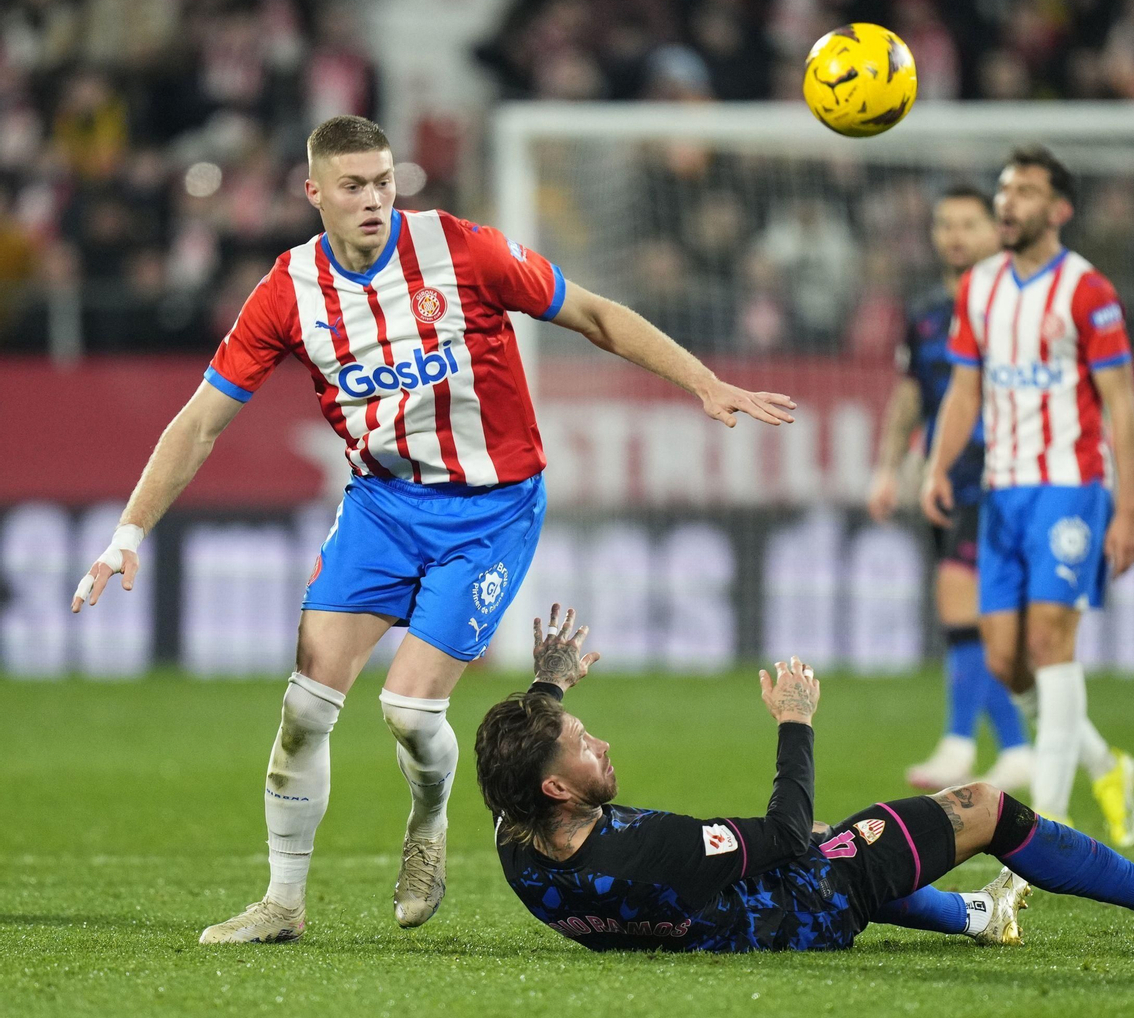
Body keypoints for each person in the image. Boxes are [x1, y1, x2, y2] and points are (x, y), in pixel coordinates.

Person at [68, 115, 796, 944]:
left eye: (383, 181)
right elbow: (201, 420)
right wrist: (128, 533)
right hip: (380, 507)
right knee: (304, 706)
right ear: (314, 193)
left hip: (489, 510)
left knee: (410, 712)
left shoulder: (463, 251)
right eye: (353, 185)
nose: (373, 198)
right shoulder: (289, 291)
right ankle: (282, 902)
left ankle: (428, 822)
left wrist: (703, 381)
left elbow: (593, 314)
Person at [478, 604, 1134, 953]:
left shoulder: (517, 837)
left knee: (844, 836)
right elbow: (784, 833)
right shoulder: (651, 852)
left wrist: (549, 686)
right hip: (801, 904)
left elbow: (518, 764)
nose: (600, 743)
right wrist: (795, 721)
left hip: (725, 916)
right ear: (556, 788)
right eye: (581, 745)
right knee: (981, 805)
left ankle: (980, 915)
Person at [921, 146, 1134, 846]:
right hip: (1001, 492)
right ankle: (1107, 765)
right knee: (1007, 664)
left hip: (1070, 485)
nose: (1007, 202)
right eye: (1004, 189)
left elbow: (1121, 404)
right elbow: (964, 389)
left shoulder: (1087, 291)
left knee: (1050, 641)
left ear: (1059, 209)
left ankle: (1050, 823)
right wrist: (936, 467)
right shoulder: (979, 288)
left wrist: (1129, 507)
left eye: (1024, 191)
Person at [866, 185, 1031, 793]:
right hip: (947, 479)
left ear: (995, 231)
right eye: (945, 224)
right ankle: (1016, 747)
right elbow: (912, 395)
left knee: (964, 603)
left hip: (1003, 476)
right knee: (973, 616)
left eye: (968, 223)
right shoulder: (928, 312)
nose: (955, 235)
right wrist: (888, 467)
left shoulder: (1019, 305)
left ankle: (962, 745)